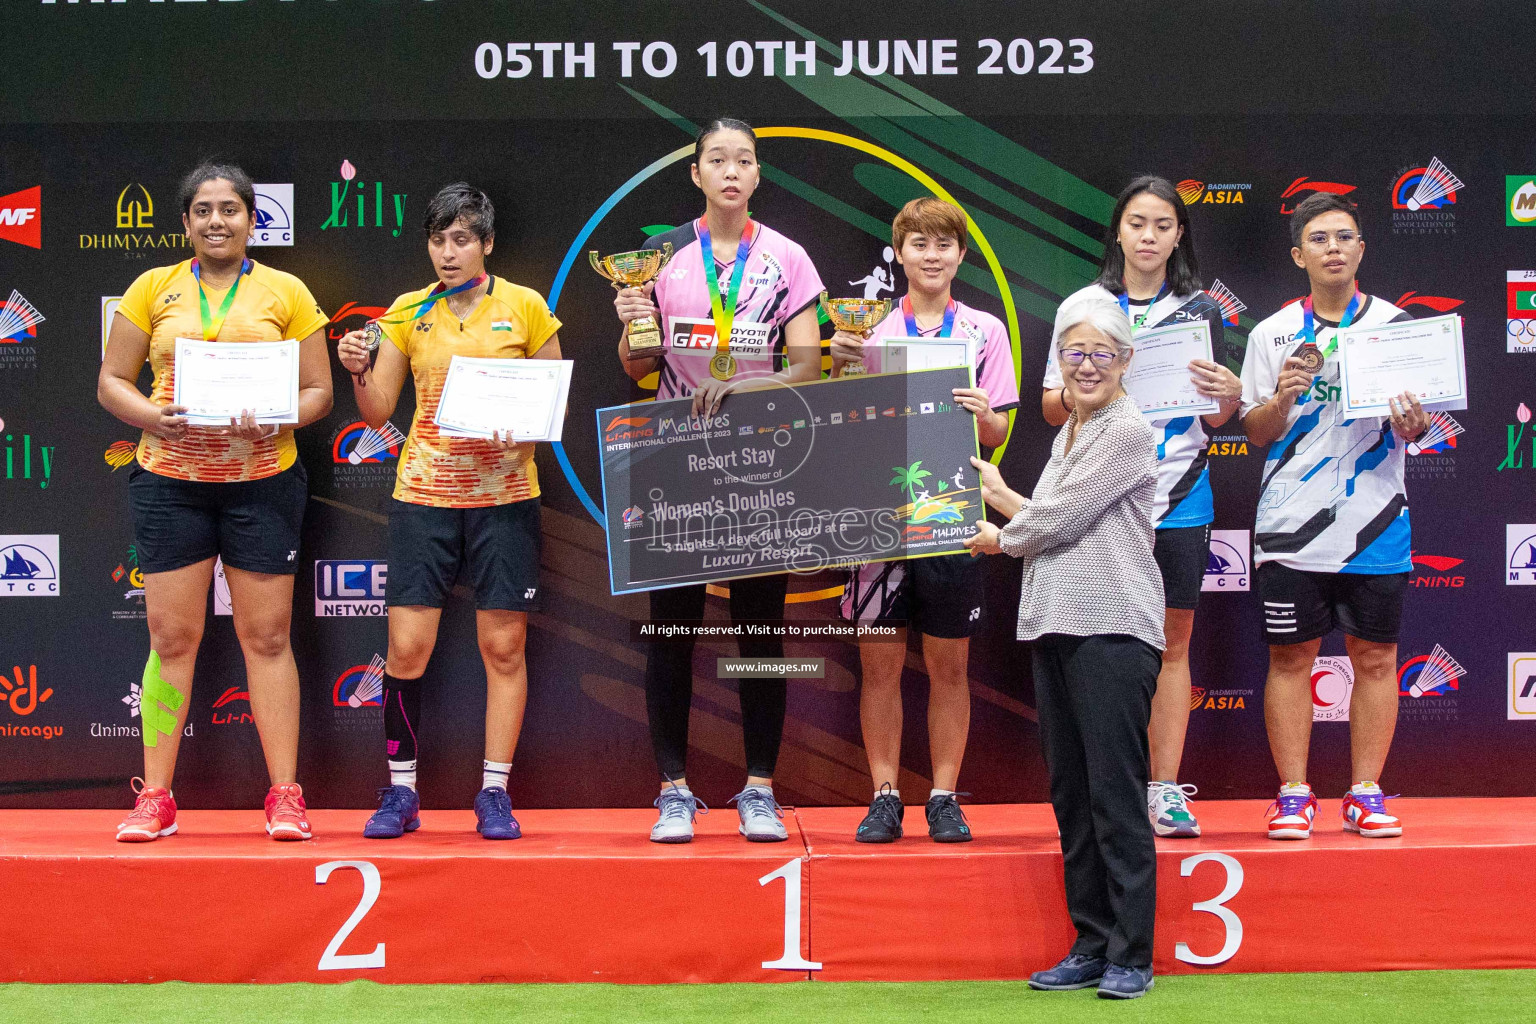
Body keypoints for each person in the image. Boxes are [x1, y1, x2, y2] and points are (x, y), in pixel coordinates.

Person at [98, 162, 333, 842]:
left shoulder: (285, 291)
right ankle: (158, 797)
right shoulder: (154, 288)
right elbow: (113, 379)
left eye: (230, 209)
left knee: (266, 637)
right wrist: (150, 415)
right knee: (171, 639)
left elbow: (319, 391)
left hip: (262, 483)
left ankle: (285, 794)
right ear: (185, 223)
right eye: (203, 210)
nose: (217, 221)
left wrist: (278, 417)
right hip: (170, 483)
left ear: (251, 220)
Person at [612, 118, 824, 843]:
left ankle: (758, 788)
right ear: (696, 173)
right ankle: (673, 789)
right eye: (716, 160)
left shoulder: (788, 258)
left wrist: (746, 392)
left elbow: (805, 369)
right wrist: (632, 324)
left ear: (758, 175)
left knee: (758, 627)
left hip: (761, 457)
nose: (731, 171)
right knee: (673, 628)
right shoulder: (661, 255)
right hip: (676, 453)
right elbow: (638, 369)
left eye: (744, 160)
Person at [336, 183, 563, 841]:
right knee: (405, 649)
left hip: (505, 499)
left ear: (486, 243)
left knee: (503, 646)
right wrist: (356, 367)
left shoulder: (524, 306)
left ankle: (494, 792)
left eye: (462, 238)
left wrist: (517, 431)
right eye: (438, 239)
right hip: (424, 497)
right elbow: (378, 412)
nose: (448, 252)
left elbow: (552, 407)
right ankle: (401, 792)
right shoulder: (410, 310)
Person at [967, 290, 1163, 1000]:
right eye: (1073, 353)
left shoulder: (1126, 429)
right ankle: (1090, 941)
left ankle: (1132, 955)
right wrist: (999, 493)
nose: (1085, 366)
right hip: (1056, 623)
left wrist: (1000, 536)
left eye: (1100, 354)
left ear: (1126, 361)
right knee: (1073, 797)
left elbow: (1060, 520)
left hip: (1112, 630)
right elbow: (1056, 514)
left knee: (1113, 797)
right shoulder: (1072, 432)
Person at [1041, 176, 1242, 839]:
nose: (1149, 236)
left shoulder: (1202, 311)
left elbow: (1218, 419)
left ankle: (1164, 789)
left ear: (1179, 233)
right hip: (1097, 501)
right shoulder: (1084, 304)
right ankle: (1108, 788)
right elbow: (1049, 406)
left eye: (1162, 225)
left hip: (1179, 499)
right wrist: (1101, 381)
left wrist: (1228, 393)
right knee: (1098, 644)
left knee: (1172, 647)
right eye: (1137, 223)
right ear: (1118, 231)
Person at [1239, 193, 1427, 840]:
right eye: (1319, 239)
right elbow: (1256, 431)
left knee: (1376, 659)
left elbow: (1419, 427)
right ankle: (1294, 792)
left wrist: (1415, 423)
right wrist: (1284, 395)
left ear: (1362, 249)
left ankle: (1366, 791)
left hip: (1375, 523)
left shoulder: (1399, 327)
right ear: (1299, 255)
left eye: (1345, 236)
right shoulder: (1271, 333)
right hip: (1290, 527)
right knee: (1291, 661)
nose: (1334, 247)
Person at [831, 197, 1018, 843]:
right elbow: (846, 428)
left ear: (961, 255)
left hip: (954, 521)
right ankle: (884, 793)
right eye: (919, 243)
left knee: (950, 668)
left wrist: (982, 409)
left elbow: (995, 430)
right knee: (879, 666)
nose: (932, 255)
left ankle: (943, 795)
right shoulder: (874, 332)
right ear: (900, 253)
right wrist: (844, 372)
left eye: (944, 245)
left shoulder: (984, 332)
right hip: (882, 522)